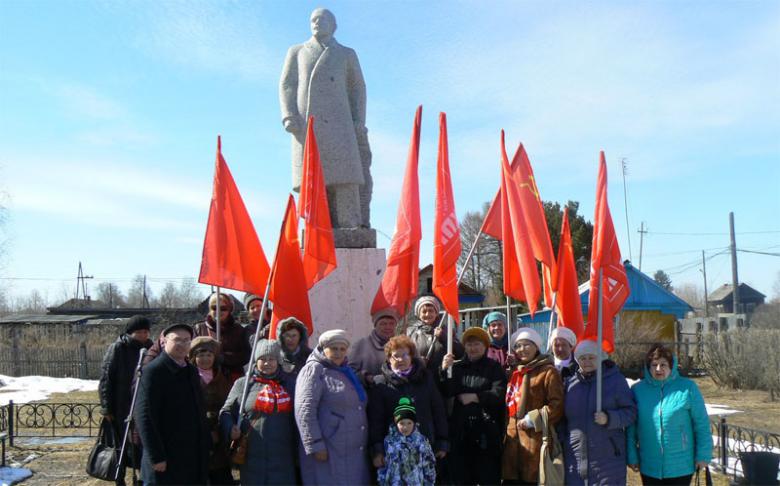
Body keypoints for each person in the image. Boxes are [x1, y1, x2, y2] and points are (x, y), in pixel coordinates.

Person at [279, 7, 371, 229]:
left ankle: (351, 223)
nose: (316, 22)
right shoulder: (297, 51)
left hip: (342, 124)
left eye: (322, 19)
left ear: (333, 25)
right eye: (313, 19)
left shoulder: (347, 54)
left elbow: (358, 88)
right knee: (314, 178)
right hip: (306, 125)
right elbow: (287, 84)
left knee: (346, 176)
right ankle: (318, 227)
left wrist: (359, 121)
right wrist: (289, 115)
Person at [134, 323, 209, 485]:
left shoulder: (191, 371)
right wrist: (156, 456)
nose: (182, 345)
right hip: (165, 459)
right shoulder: (153, 372)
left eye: (187, 340)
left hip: (191, 458)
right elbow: (144, 416)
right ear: (164, 341)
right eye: (177, 340)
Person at [627, 344, 712, 485]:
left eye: (663, 364)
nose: (658, 369)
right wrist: (632, 456)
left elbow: (701, 424)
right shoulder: (637, 391)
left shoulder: (687, 388)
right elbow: (631, 428)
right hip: (649, 466)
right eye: (654, 365)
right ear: (648, 367)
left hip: (681, 465)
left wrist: (703, 455)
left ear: (671, 366)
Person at [295, 329, 370, 485]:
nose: (338, 353)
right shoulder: (314, 370)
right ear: (323, 348)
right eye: (333, 348)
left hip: (349, 449)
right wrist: (315, 444)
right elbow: (305, 410)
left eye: (342, 349)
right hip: (328, 447)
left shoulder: (346, 370)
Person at [220, 339, 297, 485]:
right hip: (251, 455)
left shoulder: (290, 383)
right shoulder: (243, 383)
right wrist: (230, 428)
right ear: (256, 361)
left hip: (283, 456)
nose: (267, 363)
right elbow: (227, 411)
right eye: (262, 359)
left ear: (278, 361)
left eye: (271, 359)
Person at [368, 336, 448, 474]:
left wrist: (442, 441)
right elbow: (376, 420)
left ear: (411, 356)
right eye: (395, 356)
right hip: (393, 452)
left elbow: (438, 410)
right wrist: (377, 450)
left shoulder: (426, 378)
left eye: (404, 354)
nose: (400, 359)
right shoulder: (379, 383)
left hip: (425, 447)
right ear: (388, 359)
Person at [561, 340, 637, 485]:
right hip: (575, 459)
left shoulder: (615, 381)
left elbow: (630, 412)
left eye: (591, 357)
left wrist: (609, 418)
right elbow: (563, 419)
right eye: (583, 358)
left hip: (608, 460)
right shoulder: (571, 385)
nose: (587, 361)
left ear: (600, 357)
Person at [440, 327, 507, 486]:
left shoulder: (494, 367)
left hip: (486, 431)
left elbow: (499, 393)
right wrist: (444, 370)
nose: (473, 348)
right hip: (461, 431)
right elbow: (447, 391)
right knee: (462, 476)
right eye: (469, 344)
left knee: (487, 475)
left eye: (477, 344)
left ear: (485, 346)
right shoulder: (456, 367)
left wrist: (476, 397)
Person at [502, 327, 564, 485]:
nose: (522, 349)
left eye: (526, 345)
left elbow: (557, 405)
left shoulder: (548, 371)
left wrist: (533, 419)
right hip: (511, 445)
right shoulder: (515, 372)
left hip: (535, 443)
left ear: (536, 346)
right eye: (518, 346)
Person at [98, 315, 153, 485]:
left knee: (142, 443)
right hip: (121, 405)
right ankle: (119, 478)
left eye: (145, 332)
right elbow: (106, 379)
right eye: (139, 332)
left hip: (142, 404)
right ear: (130, 333)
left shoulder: (150, 348)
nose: (143, 335)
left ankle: (142, 477)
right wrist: (106, 408)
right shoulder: (118, 348)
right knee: (120, 445)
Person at [189, 336, 233, 485]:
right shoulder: (187, 377)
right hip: (196, 437)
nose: (205, 359)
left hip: (220, 438)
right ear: (194, 358)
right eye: (201, 355)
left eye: (209, 355)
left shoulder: (223, 377)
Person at [377, 397, 437, 486]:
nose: (405, 427)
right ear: (396, 422)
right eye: (402, 423)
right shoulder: (389, 441)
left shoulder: (421, 441)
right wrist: (382, 480)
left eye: (409, 423)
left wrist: (429, 482)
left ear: (414, 423)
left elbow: (429, 465)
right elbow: (384, 465)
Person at [195, 293, 251, 383]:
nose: (218, 311)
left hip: (231, 379)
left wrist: (224, 358)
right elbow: (192, 355)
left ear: (229, 310)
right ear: (209, 309)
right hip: (205, 381)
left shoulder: (238, 330)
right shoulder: (199, 328)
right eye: (214, 308)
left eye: (223, 308)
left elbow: (245, 356)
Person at [406, 295, 464, 372]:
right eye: (424, 311)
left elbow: (460, 352)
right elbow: (405, 354)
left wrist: (443, 337)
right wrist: (417, 362)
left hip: (441, 377)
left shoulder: (446, 330)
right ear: (418, 314)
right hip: (419, 376)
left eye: (431, 311)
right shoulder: (410, 331)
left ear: (436, 313)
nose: (427, 314)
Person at [349, 308, 399, 385]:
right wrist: (365, 377)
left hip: (397, 393)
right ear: (375, 325)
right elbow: (350, 371)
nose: (388, 327)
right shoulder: (362, 345)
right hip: (371, 392)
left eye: (391, 323)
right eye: (383, 324)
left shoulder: (401, 344)